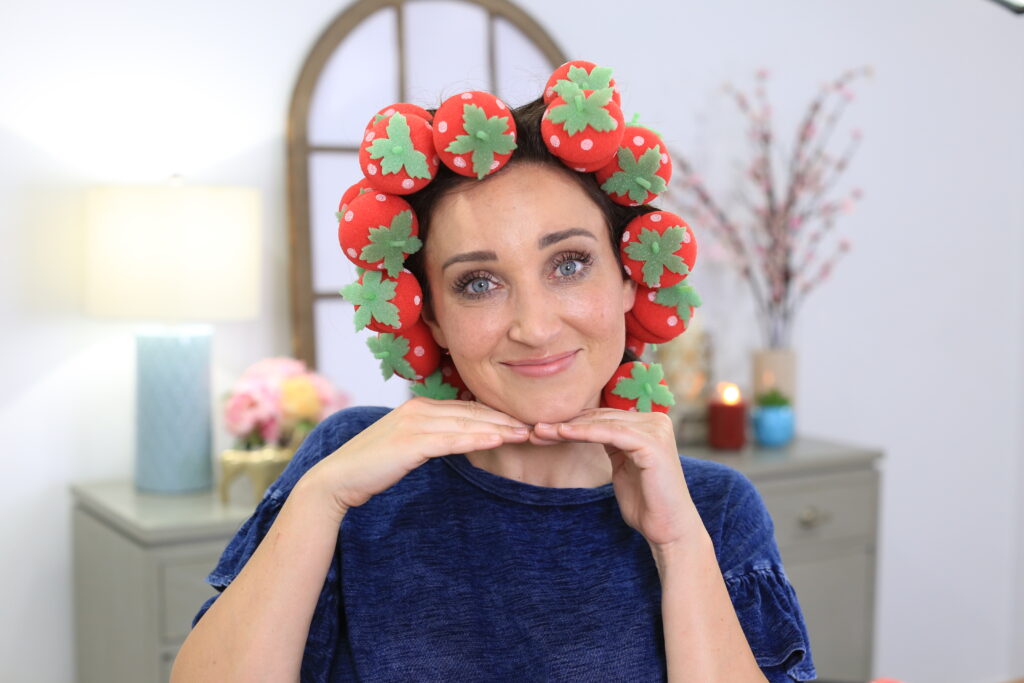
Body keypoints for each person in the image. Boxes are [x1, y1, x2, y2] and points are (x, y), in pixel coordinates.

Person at [171, 67, 817, 683]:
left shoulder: (713, 509)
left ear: (628, 279)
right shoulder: (346, 465)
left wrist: (678, 545)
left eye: (568, 264)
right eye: (478, 283)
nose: (534, 325)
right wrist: (322, 498)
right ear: (436, 320)